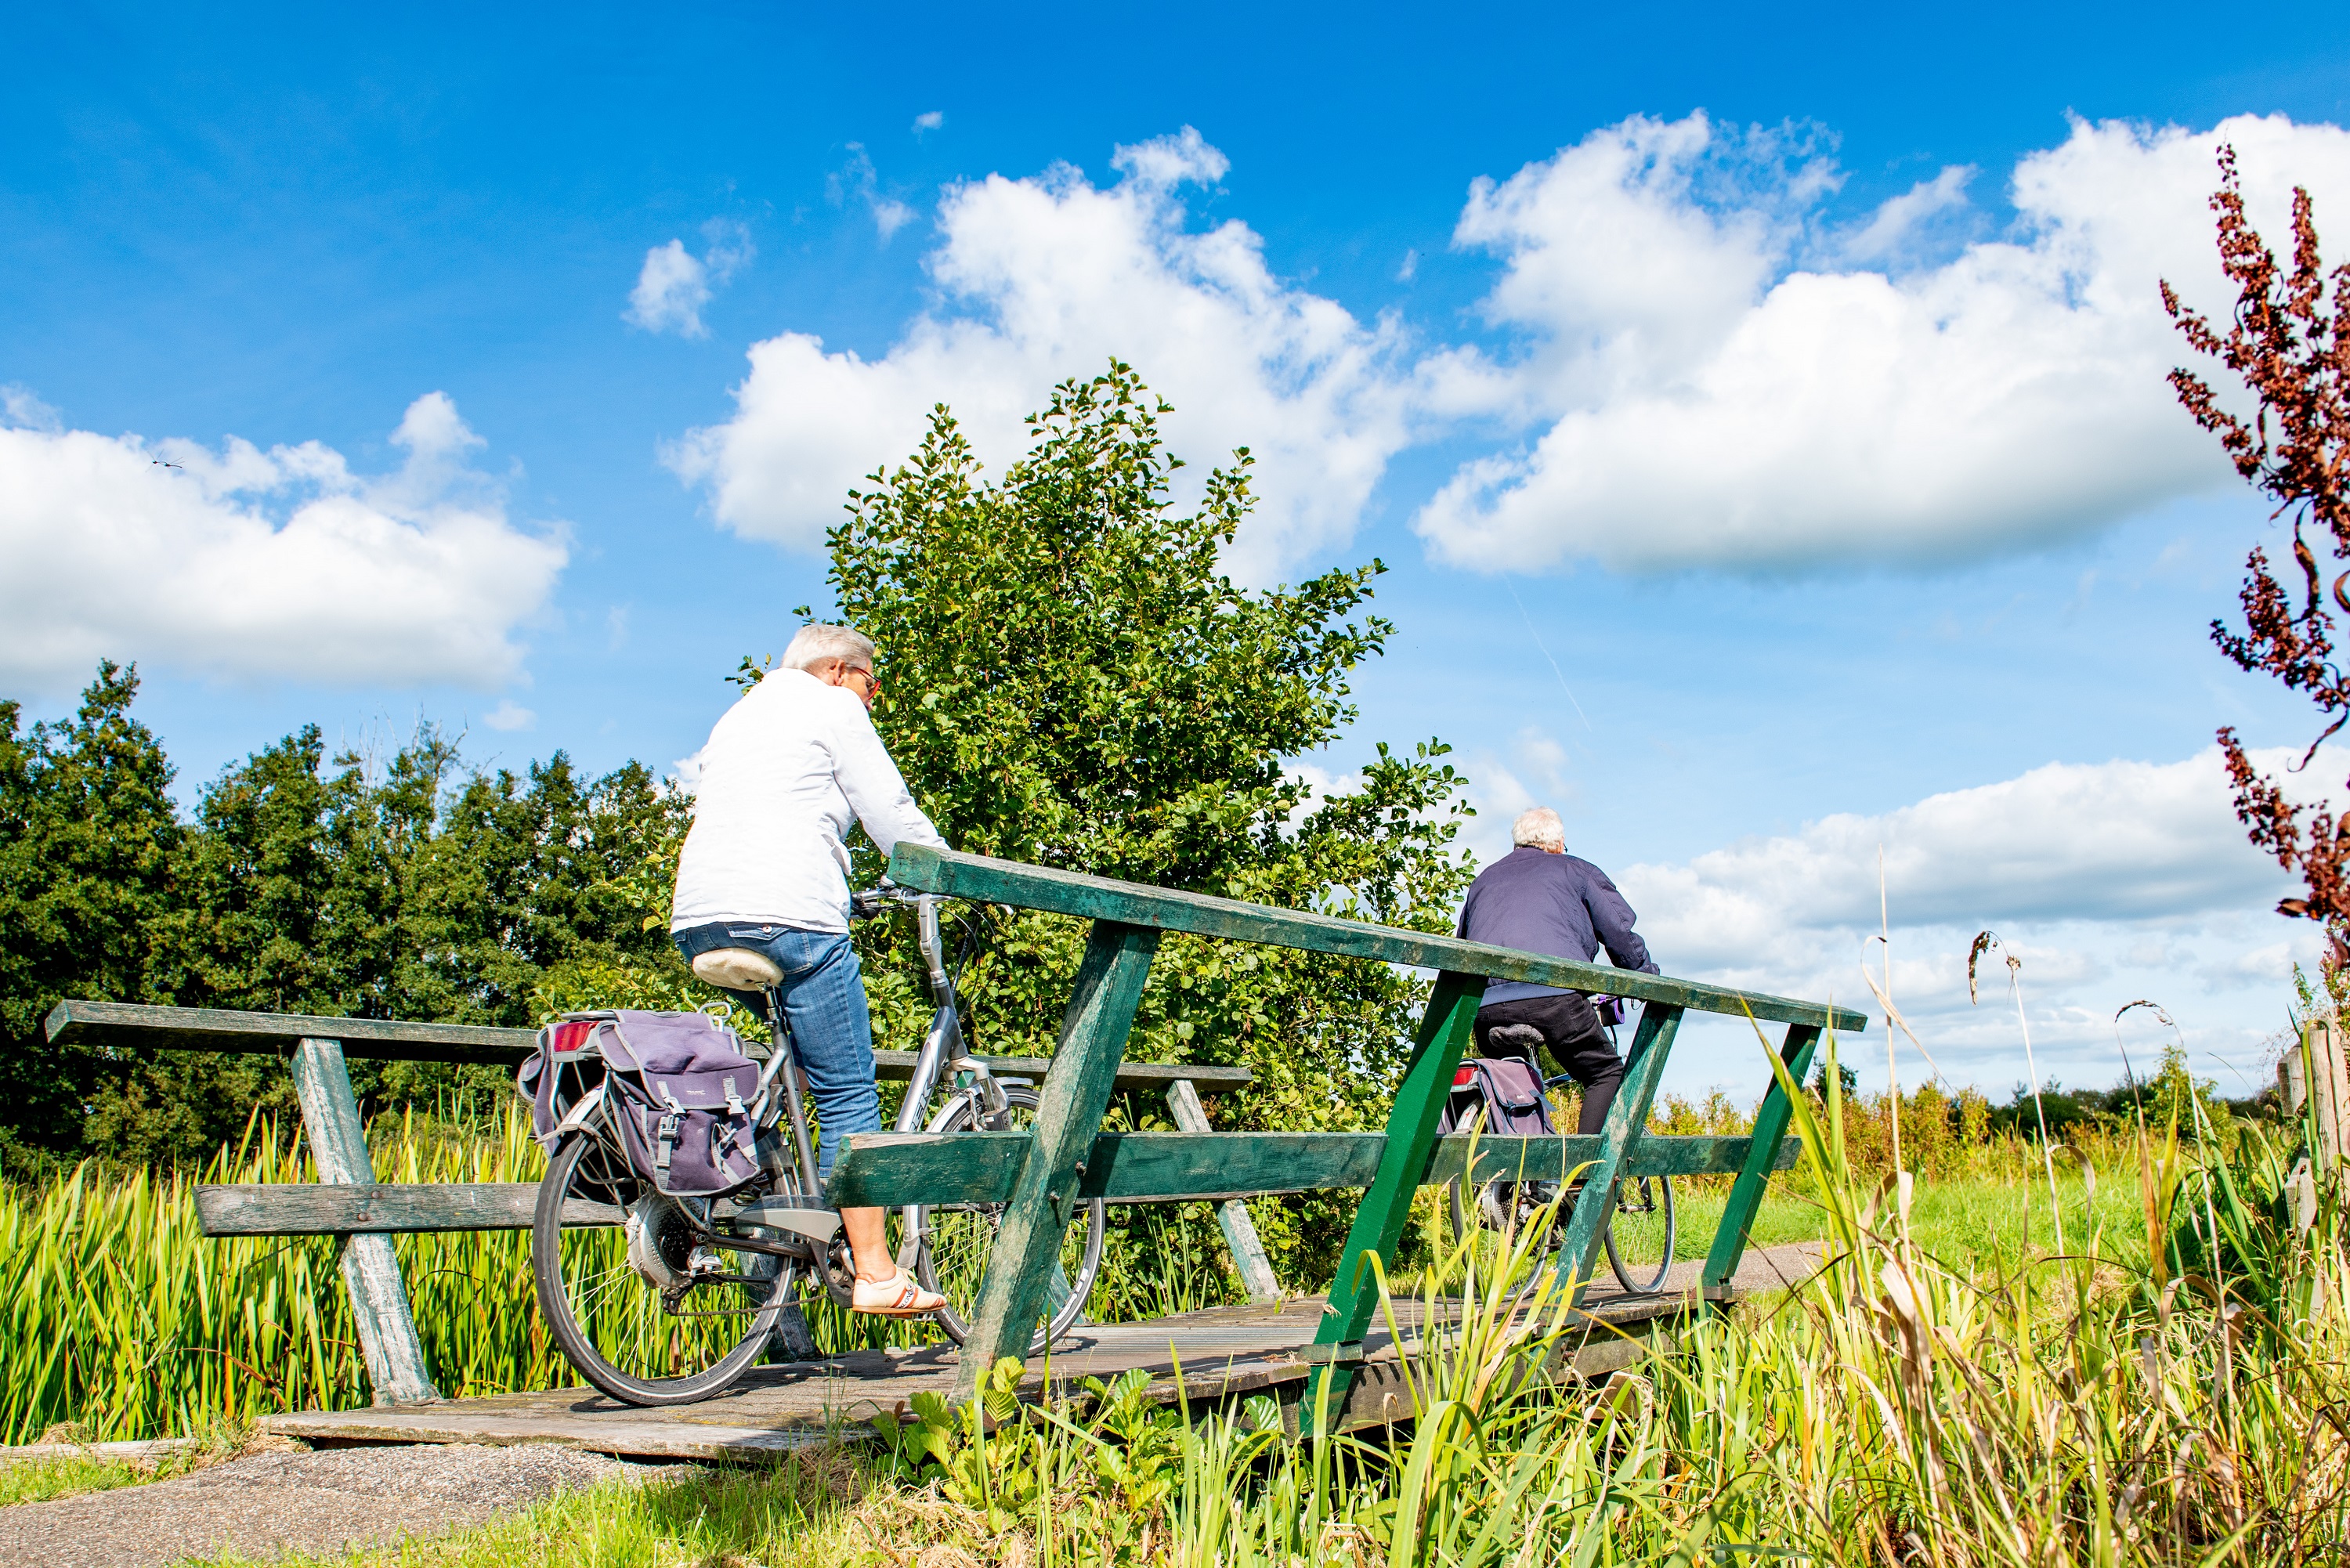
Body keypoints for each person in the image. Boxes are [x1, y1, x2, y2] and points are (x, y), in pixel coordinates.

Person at [669, 623, 949, 1318]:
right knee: (848, 1092)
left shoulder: (739, 716)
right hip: (789, 915)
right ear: (835, 670)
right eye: (870, 683)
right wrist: (950, 872)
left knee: (788, 1076)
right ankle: (877, 1273)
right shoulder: (831, 707)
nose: (872, 699)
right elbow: (891, 812)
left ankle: (781, 1212)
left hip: (702, 915)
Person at [1455, 807, 1658, 1137]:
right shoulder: (1575, 870)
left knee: (1510, 1080)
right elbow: (1619, 932)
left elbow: (1461, 947)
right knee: (1604, 1073)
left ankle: (1514, 1181)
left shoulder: (1484, 880)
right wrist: (1645, 975)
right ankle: (1582, 1183)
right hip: (1553, 995)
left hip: (1487, 1005)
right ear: (1558, 844)